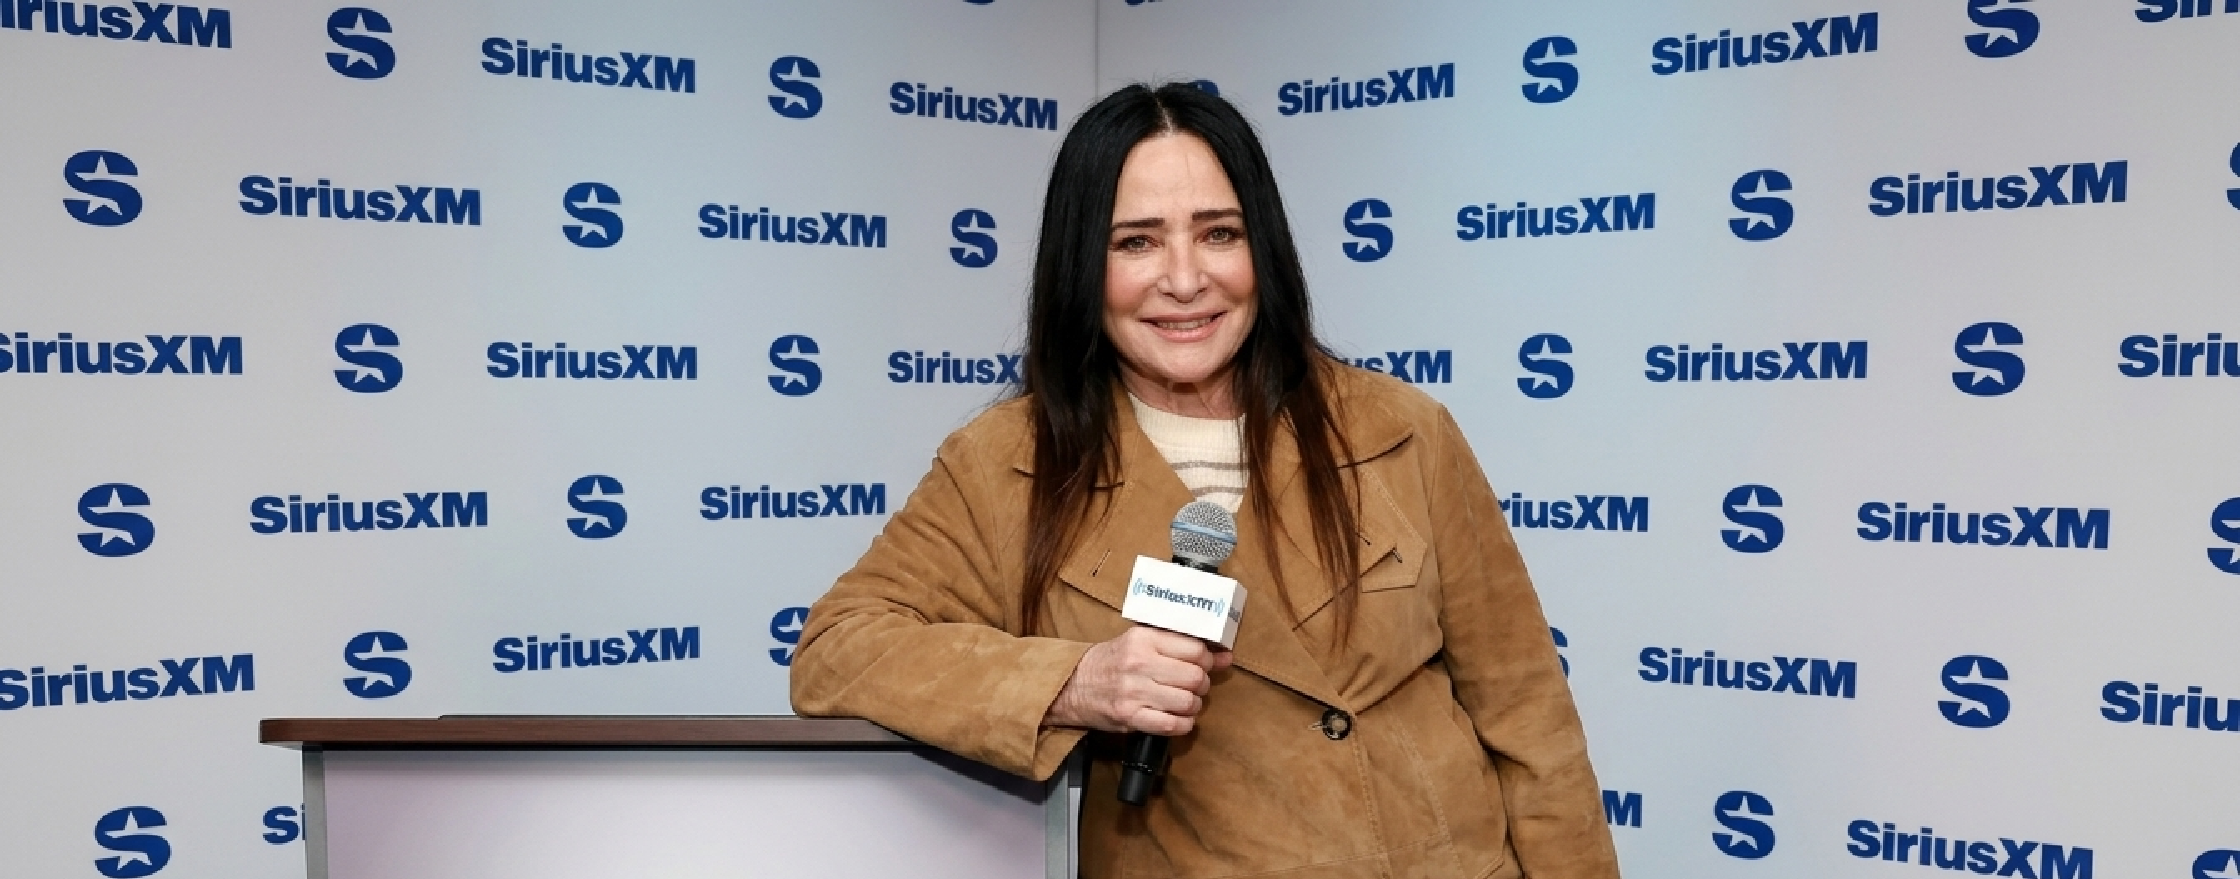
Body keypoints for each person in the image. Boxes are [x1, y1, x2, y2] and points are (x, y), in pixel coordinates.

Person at [791, 82, 1620, 879]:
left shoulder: (1401, 428)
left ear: (1264, 247)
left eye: (1219, 233)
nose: (1185, 279)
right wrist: (1076, 681)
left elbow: (1530, 721)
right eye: (1136, 241)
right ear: (1083, 263)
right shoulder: (1008, 461)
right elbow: (836, 652)